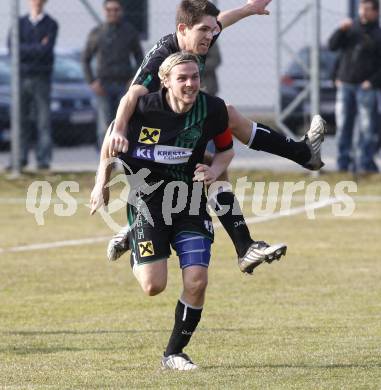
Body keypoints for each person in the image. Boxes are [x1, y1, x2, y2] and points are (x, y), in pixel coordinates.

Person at [105, 0, 325, 272]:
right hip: (152, 132)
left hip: (177, 128)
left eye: (212, 30)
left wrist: (248, 9)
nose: (211, 35)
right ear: (183, 29)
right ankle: (142, 225)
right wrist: (117, 130)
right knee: (217, 140)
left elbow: (221, 21)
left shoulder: (197, 37)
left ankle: (245, 246)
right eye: (204, 30)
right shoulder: (163, 56)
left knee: (214, 160)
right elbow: (133, 94)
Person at [90, 52, 255, 370]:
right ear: (165, 82)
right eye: (182, 78)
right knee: (154, 286)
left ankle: (174, 353)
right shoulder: (144, 108)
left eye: (194, 77)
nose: (190, 83)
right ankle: (134, 240)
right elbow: (111, 142)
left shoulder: (213, 110)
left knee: (197, 281)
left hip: (189, 203)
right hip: (147, 202)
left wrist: (213, 170)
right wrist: (101, 184)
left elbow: (226, 151)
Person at [82, 0, 144, 148]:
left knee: (126, 123)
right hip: (103, 86)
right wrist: (92, 81)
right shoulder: (97, 33)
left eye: (116, 9)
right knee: (104, 126)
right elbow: (85, 59)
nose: (113, 13)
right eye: (109, 10)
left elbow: (140, 59)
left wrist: (134, 81)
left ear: (121, 11)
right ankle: (105, 162)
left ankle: (125, 158)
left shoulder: (130, 31)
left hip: (125, 86)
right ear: (105, 11)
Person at [328, 0, 381, 173]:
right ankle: (344, 164)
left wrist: (372, 82)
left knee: (367, 128)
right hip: (345, 85)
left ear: (376, 12)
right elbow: (333, 47)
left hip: (366, 88)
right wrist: (340, 30)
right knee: (344, 127)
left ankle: (365, 164)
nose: (363, 13)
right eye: (361, 9)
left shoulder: (377, 35)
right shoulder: (350, 30)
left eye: (367, 9)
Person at [8, 0, 58, 170]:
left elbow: (47, 51)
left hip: (41, 79)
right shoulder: (19, 23)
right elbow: (13, 49)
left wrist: (27, 50)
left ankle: (43, 160)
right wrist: (37, 48)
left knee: (43, 120)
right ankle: (19, 158)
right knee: (19, 120)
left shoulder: (51, 24)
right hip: (21, 79)